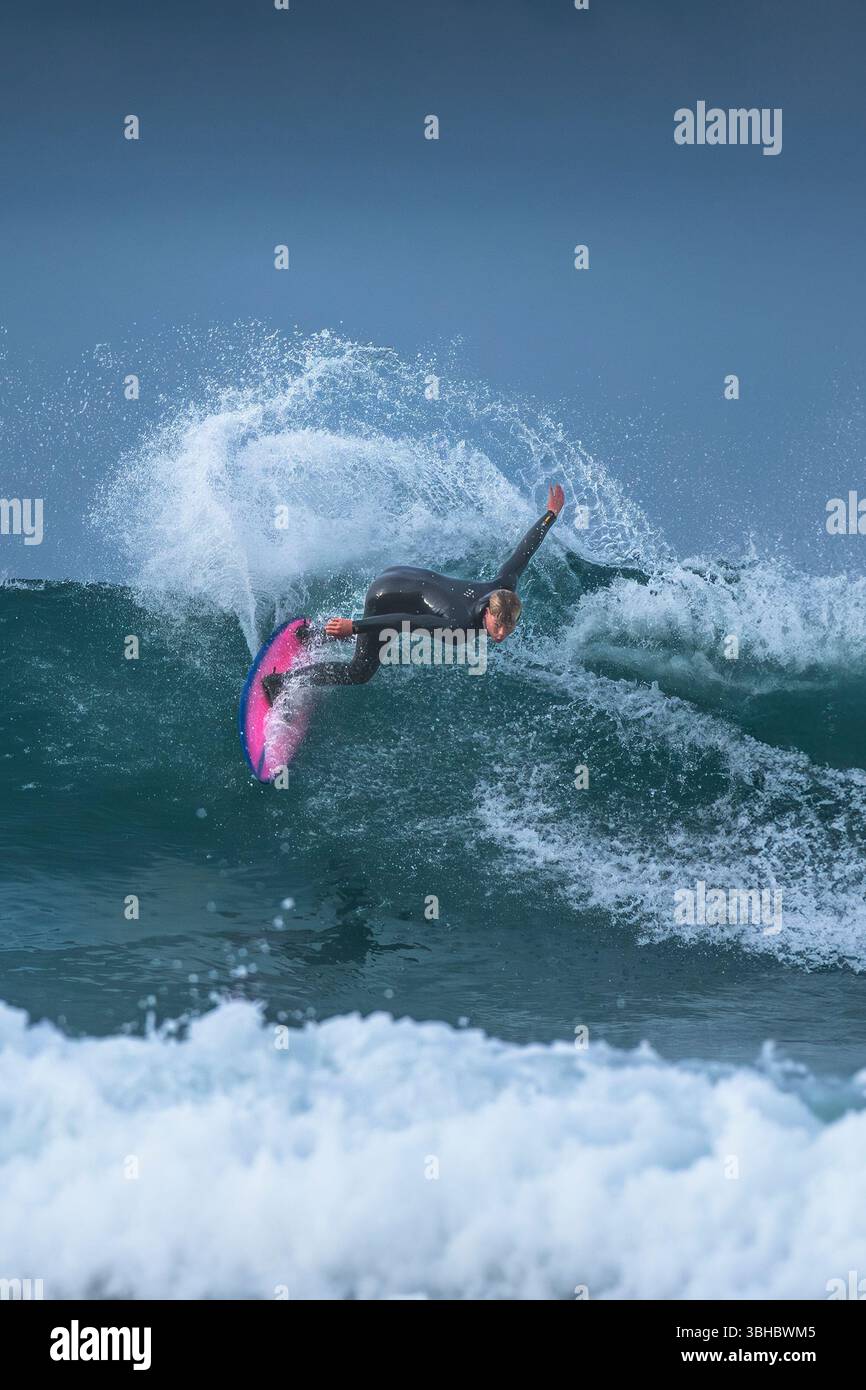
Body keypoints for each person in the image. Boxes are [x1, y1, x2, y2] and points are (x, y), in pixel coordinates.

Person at [262, 483, 566, 700]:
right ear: (488, 612)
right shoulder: (459, 622)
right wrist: (353, 627)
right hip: (386, 596)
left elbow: (523, 554)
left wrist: (550, 515)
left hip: (400, 574)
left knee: (376, 642)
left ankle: (311, 636)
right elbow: (403, 621)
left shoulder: (503, 591)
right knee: (360, 672)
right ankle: (279, 683)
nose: (500, 634)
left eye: (506, 629)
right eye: (498, 626)